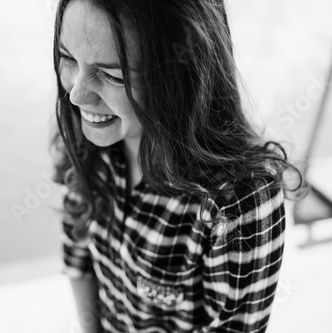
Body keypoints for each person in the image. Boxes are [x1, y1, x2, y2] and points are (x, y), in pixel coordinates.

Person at [50, 0, 303, 332]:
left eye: (112, 75)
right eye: (68, 58)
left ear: (182, 75)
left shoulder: (239, 200)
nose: (77, 95)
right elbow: (78, 252)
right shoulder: (91, 136)